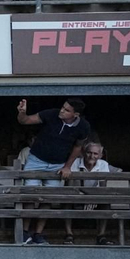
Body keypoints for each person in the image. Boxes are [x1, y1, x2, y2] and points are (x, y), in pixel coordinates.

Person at [16, 98, 92, 245]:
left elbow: (78, 147)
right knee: (30, 195)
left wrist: (67, 166)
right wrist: (22, 112)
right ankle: (24, 233)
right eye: (63, 107)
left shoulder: (83, 126)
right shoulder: (51, 114)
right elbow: (24, 121)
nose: (62, 111)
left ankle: (38, 234)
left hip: (58, 164)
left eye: (67, 110)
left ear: (75, 114)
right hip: (36, 159)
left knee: (48, 199)